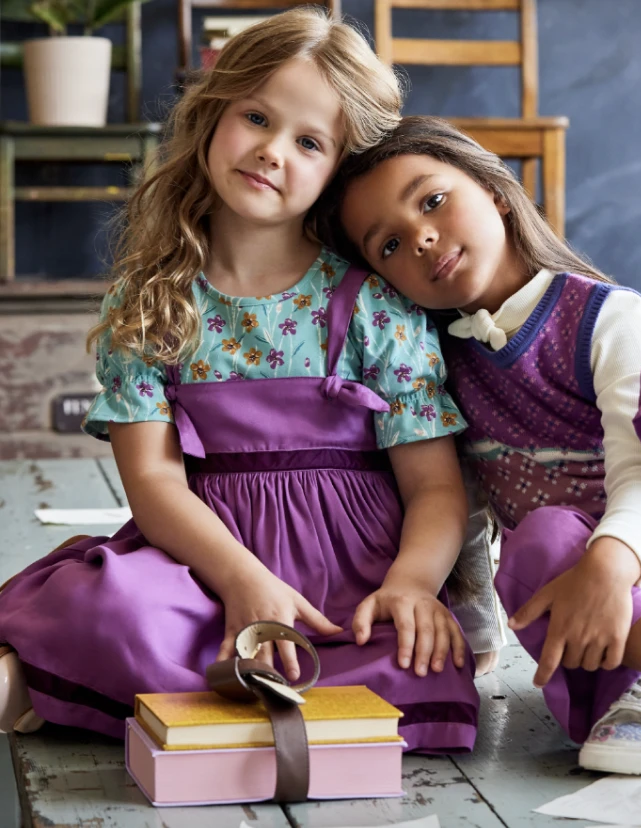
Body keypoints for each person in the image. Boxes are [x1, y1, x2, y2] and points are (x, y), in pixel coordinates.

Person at [313, 114, 641, 801]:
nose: (420, 236)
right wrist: (473, 640)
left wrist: (610, 561)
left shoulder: (602, 316)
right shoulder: (439, 364)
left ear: (496, 192)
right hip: (593, 639)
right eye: (389, 244)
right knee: (539, 536)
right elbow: (467, 509)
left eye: (432, 201)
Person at [0, 13, 482, 754]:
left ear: (337, 171)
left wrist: (414, 584)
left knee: (411, 661)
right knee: (113, 608)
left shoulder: (374, 305)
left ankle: (87, 689)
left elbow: (435, 489)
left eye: (308, 141)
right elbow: (154, 485)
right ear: (212, 113)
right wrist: (241, 582)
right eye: (255, 116)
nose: (270, 150)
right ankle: (57, 677)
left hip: (348, 578)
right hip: (201, 559)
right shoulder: (150, 301)